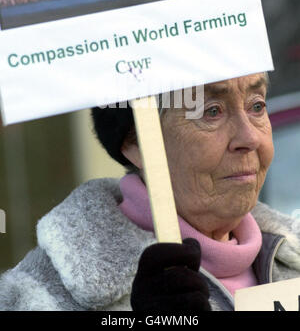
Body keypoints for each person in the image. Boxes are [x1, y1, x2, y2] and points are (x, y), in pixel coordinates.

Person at [1, 72, 300, 311]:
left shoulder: (291, 258)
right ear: (134, 142)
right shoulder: (36, 298)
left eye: (257, 106)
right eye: (212, 111)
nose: (249, 137)